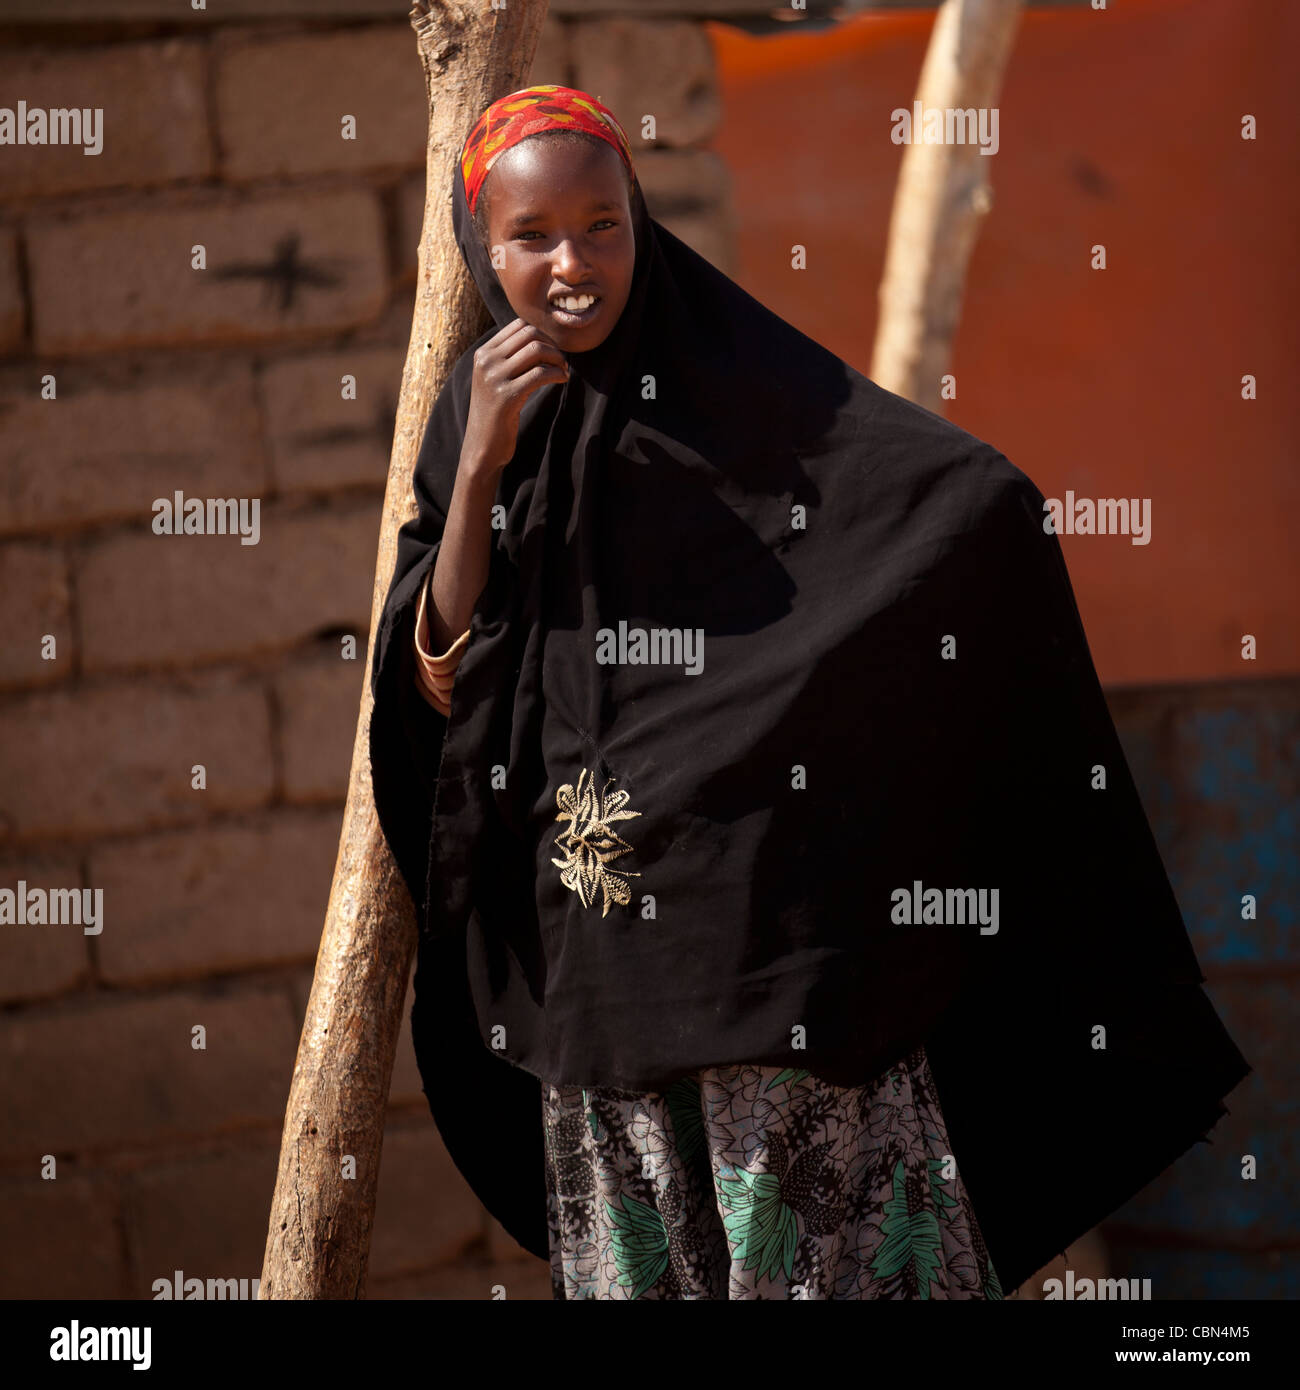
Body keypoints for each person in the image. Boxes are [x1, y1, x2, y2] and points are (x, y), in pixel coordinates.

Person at [369, 85, 1251, 1300]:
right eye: (531, 237)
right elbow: (439, 681)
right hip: (604, 996)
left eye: (603, 225)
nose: (572, 264)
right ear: (483, 245)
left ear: (641, 224)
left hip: (779, 992)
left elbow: (931, 512)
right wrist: (476, 476)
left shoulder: (746, 391)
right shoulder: (479, 414)